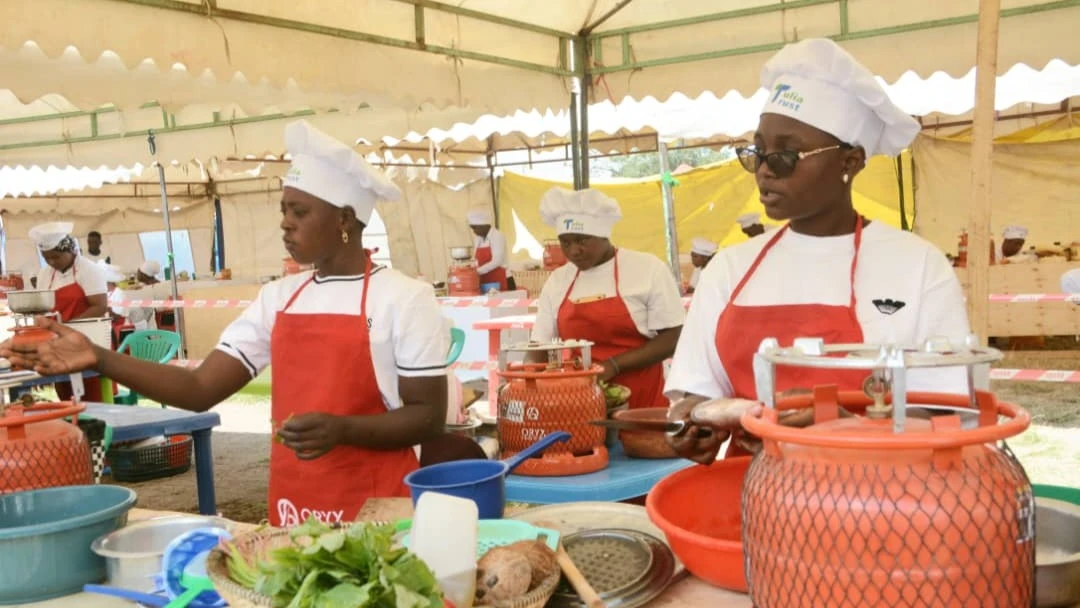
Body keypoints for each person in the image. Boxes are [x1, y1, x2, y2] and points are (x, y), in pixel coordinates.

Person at [3, 120, 450, 527]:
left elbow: (427, 419)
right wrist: (99, 357)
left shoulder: (405, 298)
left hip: (380, 511)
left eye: (299, 212)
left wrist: (344, 429)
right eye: (283, 211)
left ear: (345, 220)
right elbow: (200, 389)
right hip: (295, 505)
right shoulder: (279, 298)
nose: (285, 225)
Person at [664, 38, 976, 463]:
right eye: (758, 152)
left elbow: (949, 410)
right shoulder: (730, 269)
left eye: (787, 155)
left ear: (850, 162)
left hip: (878, 498)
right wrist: (691, 422)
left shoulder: (917, 266)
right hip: (750, 497)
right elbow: (697, 389)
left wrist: (851, 427)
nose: (765, 171)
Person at [529, 187, 685, 409]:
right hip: (580, 401)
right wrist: (527, 382)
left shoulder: (647, 269)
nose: (574, 251)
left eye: (582, 240)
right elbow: (539, 346)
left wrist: (613, 366)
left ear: (603, 235)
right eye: (565, 242)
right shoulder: (558, 281)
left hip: (642, 398)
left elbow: (673, 337)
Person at [28, 222, 110, 401]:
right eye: (46, 258)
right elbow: (43, 307)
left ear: (70, 251)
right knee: (65, 394)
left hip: (88, 340)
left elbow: (99, 306)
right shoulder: (45, 274)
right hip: (58, 343)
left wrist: (69, 327)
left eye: (56, 257)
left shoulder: (89, 270)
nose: (51, 262)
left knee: (91, 398)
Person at [467, 209, 514, 291]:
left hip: (502, 280)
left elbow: (497, 261)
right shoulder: (478, 239)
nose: (474, 231)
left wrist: (478, 271)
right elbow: (475, 259)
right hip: (486, 281)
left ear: (484, 225)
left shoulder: (497, 236)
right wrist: (470, 268)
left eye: (475, 228)